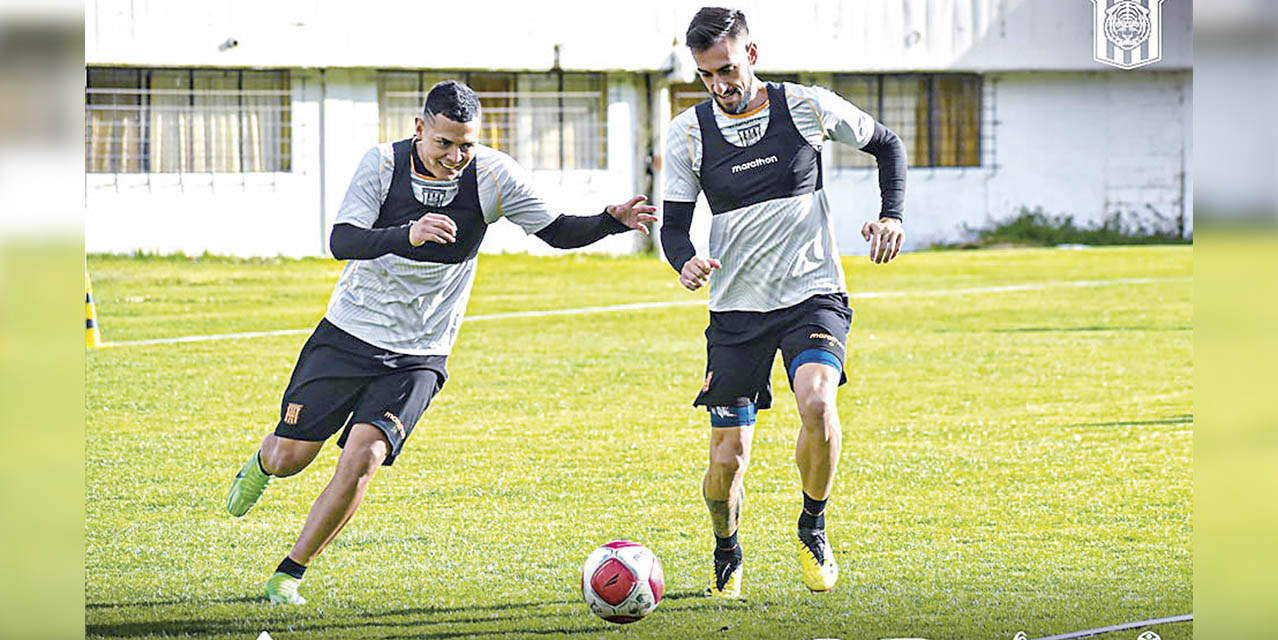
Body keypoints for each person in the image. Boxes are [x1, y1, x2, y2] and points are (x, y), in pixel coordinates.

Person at [224, 80, 657, 605]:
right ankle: (264, 463)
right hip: (348, 334)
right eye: (444, 143)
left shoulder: (495, 175)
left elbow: (556, 230)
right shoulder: (381, 166)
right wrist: (406, 233)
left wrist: (610, 223)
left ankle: (288, 574)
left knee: (365, 456)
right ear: (419, 129)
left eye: (466, 144)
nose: (455, 156)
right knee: (293, 456)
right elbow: (342, 241)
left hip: (420, 352)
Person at [660, 7, 908, 598]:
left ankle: (812, 526)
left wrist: (892, 215)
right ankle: (727, 546)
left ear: (751, 54)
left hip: (812, 293)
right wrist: (684, 260)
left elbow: (888, 145)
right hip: (738, 309)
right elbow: (673, 228)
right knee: (728, 459)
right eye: (705, 75)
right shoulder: (687, 132)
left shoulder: (806, 106)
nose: (719, 84)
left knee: (819, 404)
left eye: (725, 68)